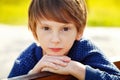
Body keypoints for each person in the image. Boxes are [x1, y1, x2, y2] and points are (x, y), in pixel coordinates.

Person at [8, 0, 120, 80]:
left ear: (79, 31)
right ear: (34, 32)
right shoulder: (28, 58)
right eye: (46, 28)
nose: (55, 39)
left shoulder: (84, 49)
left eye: (65, 29)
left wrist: (77, 69)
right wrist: (33, 74)